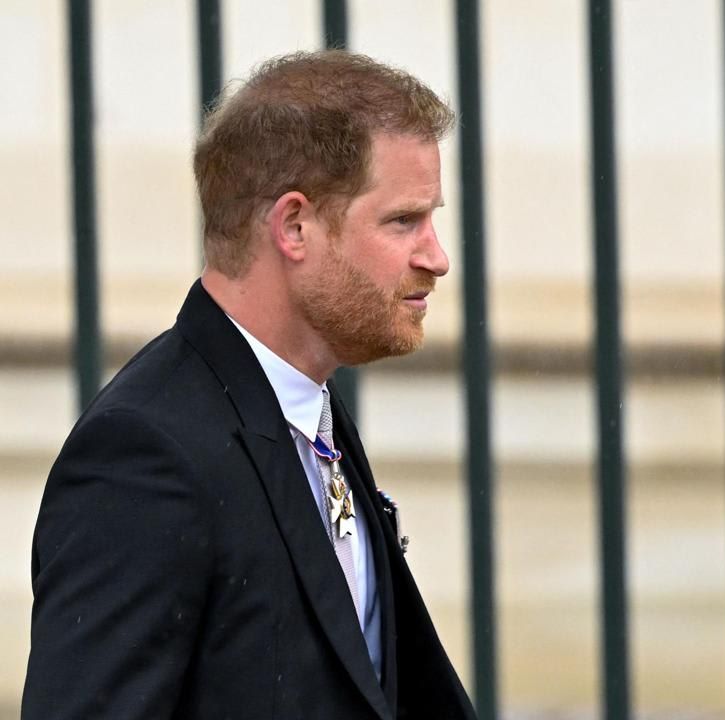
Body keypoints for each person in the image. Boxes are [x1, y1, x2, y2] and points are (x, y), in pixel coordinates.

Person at [23, 50, 476, 720]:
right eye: (403, 221)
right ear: (295, 227)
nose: (435, 257)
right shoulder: (144, 456)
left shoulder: (308, 407)